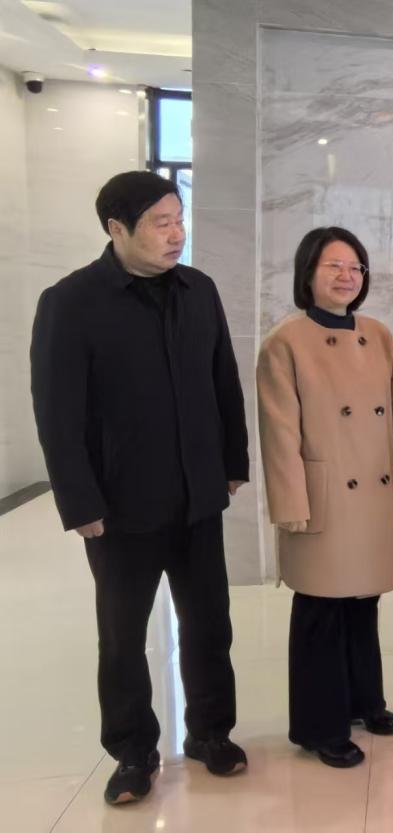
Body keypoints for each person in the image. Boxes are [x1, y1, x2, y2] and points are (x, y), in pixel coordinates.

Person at [30, 171, 249, 805]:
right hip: (120, 506)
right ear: (116, 229)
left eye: (179, 219)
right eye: (160, 223)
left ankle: (212, 732)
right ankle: (132, 751)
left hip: (198, 493)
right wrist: (79, 502)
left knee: (209, 623)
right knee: (123, 635)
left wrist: (232, 462)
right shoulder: (71, 301)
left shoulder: (199, 290)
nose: (176, 233)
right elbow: (57, 412)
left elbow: (223, 381)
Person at [257, 227, 393, 768]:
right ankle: (317, 727)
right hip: (323, 495)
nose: (346, 276)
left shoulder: (376, 334)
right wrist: (290, 504)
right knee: (321, 608)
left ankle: (363, 701)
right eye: (333, 265)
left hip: (374, 490)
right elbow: (278, 432)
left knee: (362, 601)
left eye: (355, 267)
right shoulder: (285, 341)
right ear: (307, 273)